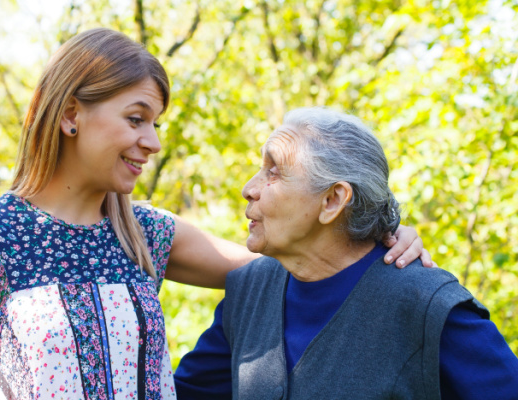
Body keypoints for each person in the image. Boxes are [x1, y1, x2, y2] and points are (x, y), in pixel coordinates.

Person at [0, 30, 428, 399]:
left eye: (156, 123)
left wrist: (373, 229)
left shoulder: (147, 234)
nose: (154, 142)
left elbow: (294, 266)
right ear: (71, 114)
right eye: (136, 119)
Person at [174, 107, 518, 399]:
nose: (248, 189)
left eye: (273, 171)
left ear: (333, 200)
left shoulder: (427, 307)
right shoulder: (248, 291)